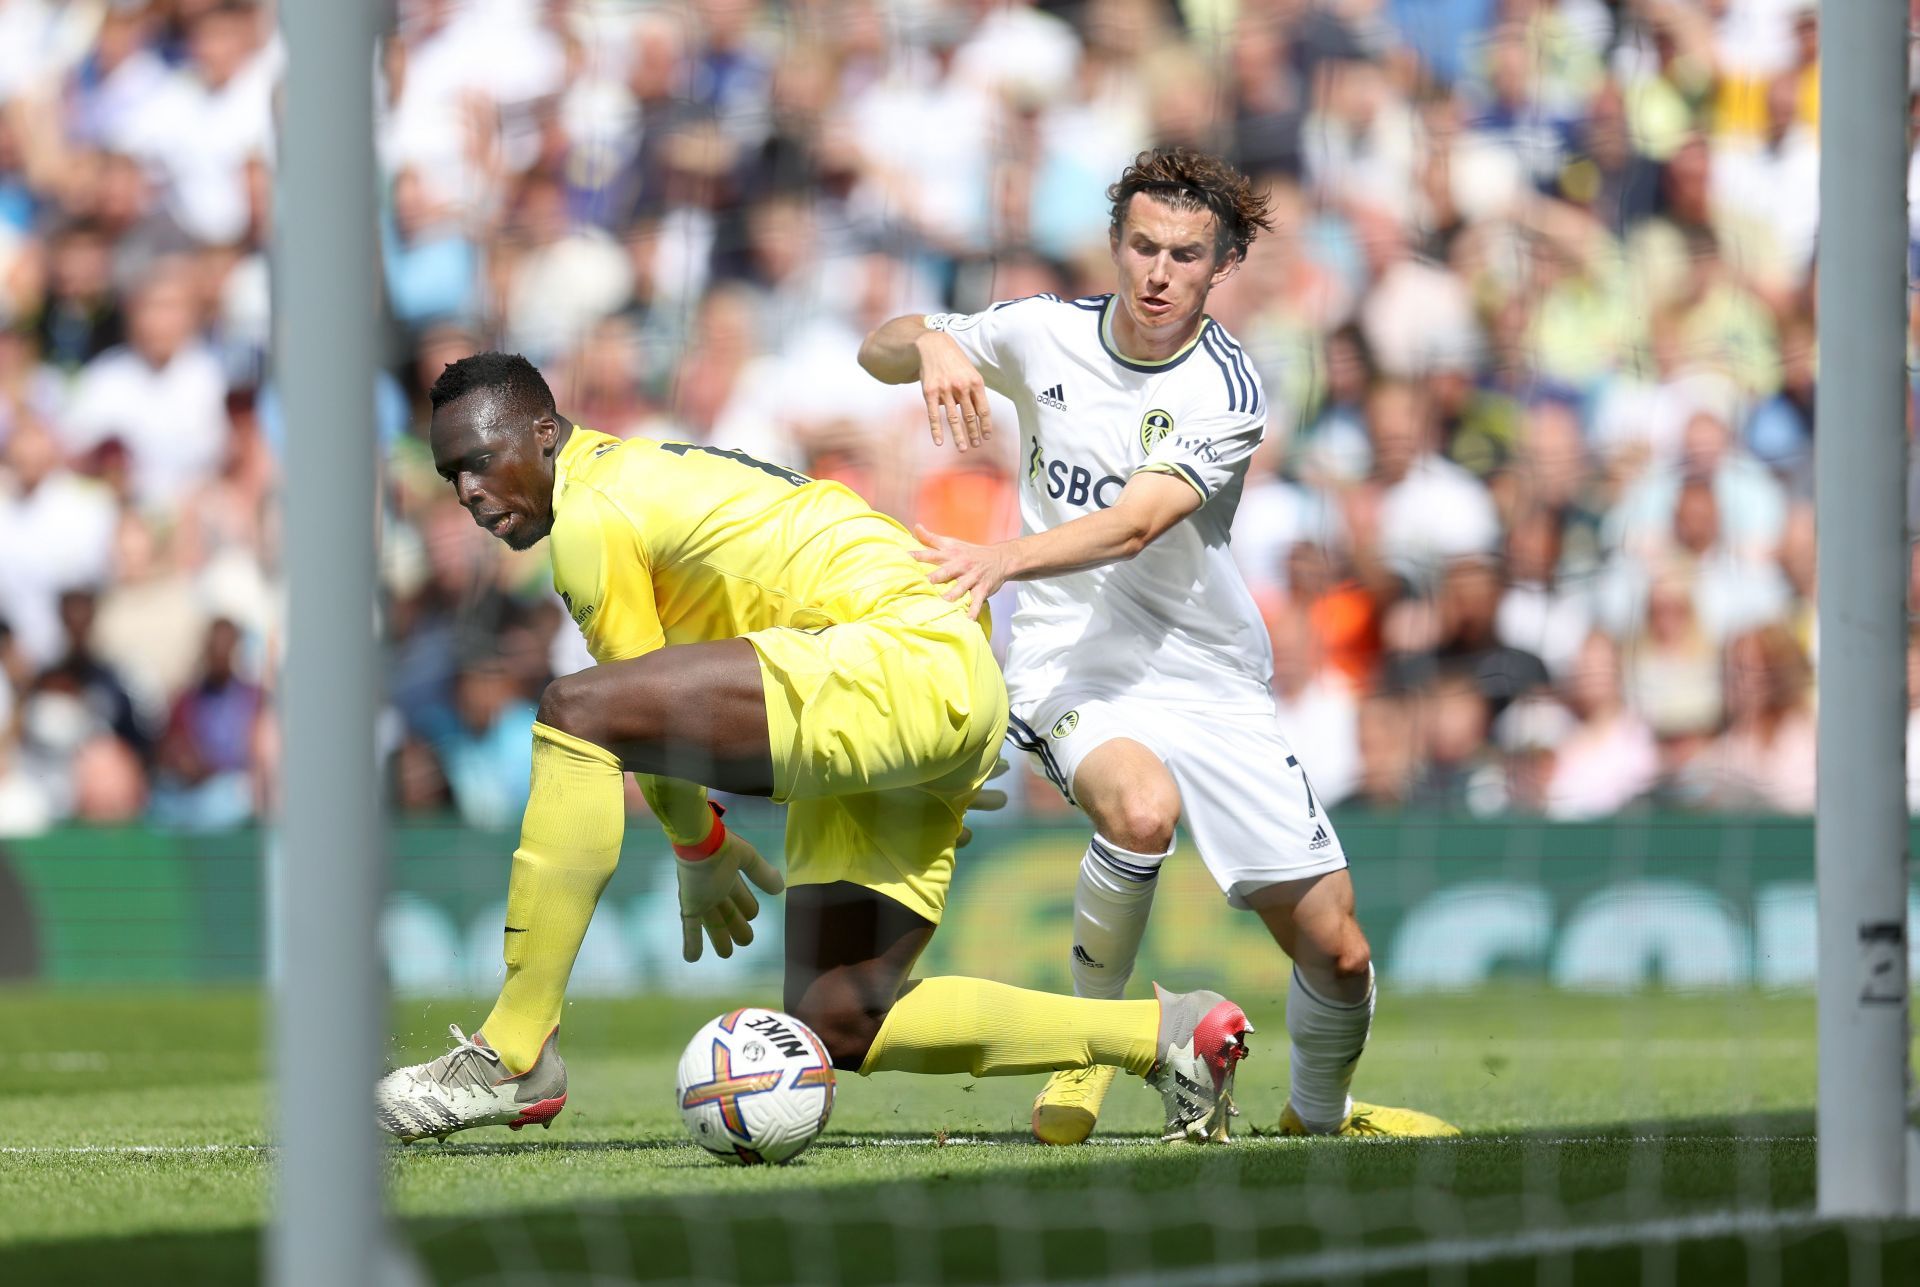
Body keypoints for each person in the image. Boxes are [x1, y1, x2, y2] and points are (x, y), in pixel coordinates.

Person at [374, 353, 1252, 1145]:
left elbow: (631, 712)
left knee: (574, 709)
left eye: (481, 460)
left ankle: (514, 1050)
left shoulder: (589, 513)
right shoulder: (639, 470)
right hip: (922, 669)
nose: (469, 492)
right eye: (452, 474)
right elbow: (663, 703)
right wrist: (931, 738)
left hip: (895, 661)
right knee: (839, 1019)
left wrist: (700, 846)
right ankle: (1168, 1037)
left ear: (542, 431)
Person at [859, 146, 1456, 1142]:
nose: (1159, 273)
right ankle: (1096, 1046)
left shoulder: (1229, 387)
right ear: (1115, 244)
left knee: (1338, 952)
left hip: (1206, 674)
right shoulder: (1043, 331)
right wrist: (927, 341)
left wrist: (1003, 557)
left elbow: (1137, 523)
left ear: (1221, 267)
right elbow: (878, 344)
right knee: (1139, 811)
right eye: (1143, 246)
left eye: (1186, 255)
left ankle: (1316, 1118)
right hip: (1068, 658)